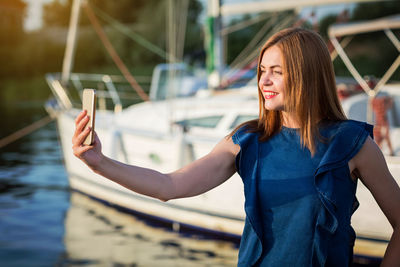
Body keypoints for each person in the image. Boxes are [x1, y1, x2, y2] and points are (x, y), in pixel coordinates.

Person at [72, 28, 400, 266]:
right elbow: (168, 186)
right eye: (261, 72)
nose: (263, 82)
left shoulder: (352, 144)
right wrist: (99, 162)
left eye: (276, 72)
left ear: (306, 75)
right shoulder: (247, 140)